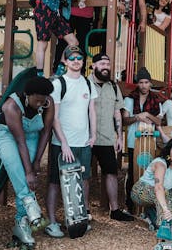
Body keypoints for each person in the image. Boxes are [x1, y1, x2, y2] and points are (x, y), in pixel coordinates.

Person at [0, 77, 54, 250]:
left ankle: (22, 223)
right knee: (17, 168)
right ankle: (29, 202)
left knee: (30, 174)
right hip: (6, 135)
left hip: (32, 135)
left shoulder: (48, 102)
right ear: (27, 95)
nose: (41, 104)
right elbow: (19, 142)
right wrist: (28, 171)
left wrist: (36, 163)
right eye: (37, 100)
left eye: (44, 100)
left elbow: (46, 132)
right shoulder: (11, 106)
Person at [45, 46, 98, 238]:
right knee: (55, 182)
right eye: (72, 58)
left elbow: (92, 111)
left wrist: (93, 135)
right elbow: (54, 117)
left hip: (83, 142)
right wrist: (64, 144)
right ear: (65, 62)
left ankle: (79, 218)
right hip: (61, 144)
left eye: (79, 58)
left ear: (83, 62)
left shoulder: (88, 83)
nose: (76, 61)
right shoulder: (59, 83)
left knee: (83, 181)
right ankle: (51, 221)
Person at [89, 53, 134, 221]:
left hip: (107, 137)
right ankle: (85, 211)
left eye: (108, 63)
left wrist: (119, 136)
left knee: (111, 172)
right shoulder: (84, 84)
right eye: (102, 63)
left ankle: (114, 210)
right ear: (93, 66)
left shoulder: (113, 87)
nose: (106, 66)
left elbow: (117, 113)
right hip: (86, 138)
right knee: (84, 174)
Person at [130, 138, 172, 239]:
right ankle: (166, 230)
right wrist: (165, 210)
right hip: (140, 191)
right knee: (165, 198)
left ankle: (150, 216)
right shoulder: (160, 164)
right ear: (169, 150)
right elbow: (158, 188)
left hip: (160, 194)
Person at [123, 67, 162, 212]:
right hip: (135, 141)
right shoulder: (129, 99)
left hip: (150, 142)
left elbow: (159, 121)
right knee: (133, 173)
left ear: (150, 83)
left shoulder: (156, 100)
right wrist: (136, 117)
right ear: (137, 84)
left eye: (146, 82)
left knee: (149, 174)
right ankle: (130, 205)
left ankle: (146, 207)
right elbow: (125, 120)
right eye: (141, 82)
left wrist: (146, 114)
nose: (144, 85)